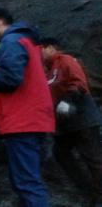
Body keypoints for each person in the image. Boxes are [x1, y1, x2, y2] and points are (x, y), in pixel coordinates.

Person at [0, 5, 55, 207]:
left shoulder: (11, 42)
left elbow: (11, 78)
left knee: (28, 184)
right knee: (24, 181)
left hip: (24, 121)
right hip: (31, 119)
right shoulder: (24, 41)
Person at [40, 37, 102, 206]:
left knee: (93, 158)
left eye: (42, 49)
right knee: (61, 153)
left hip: (82, 117)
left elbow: (79, 82)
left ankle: (97, 196)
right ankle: (87, 188)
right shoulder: (48, 71)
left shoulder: (66, 60)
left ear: (51, 47)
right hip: (64, 124)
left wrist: (68, 100)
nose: (39, 53)